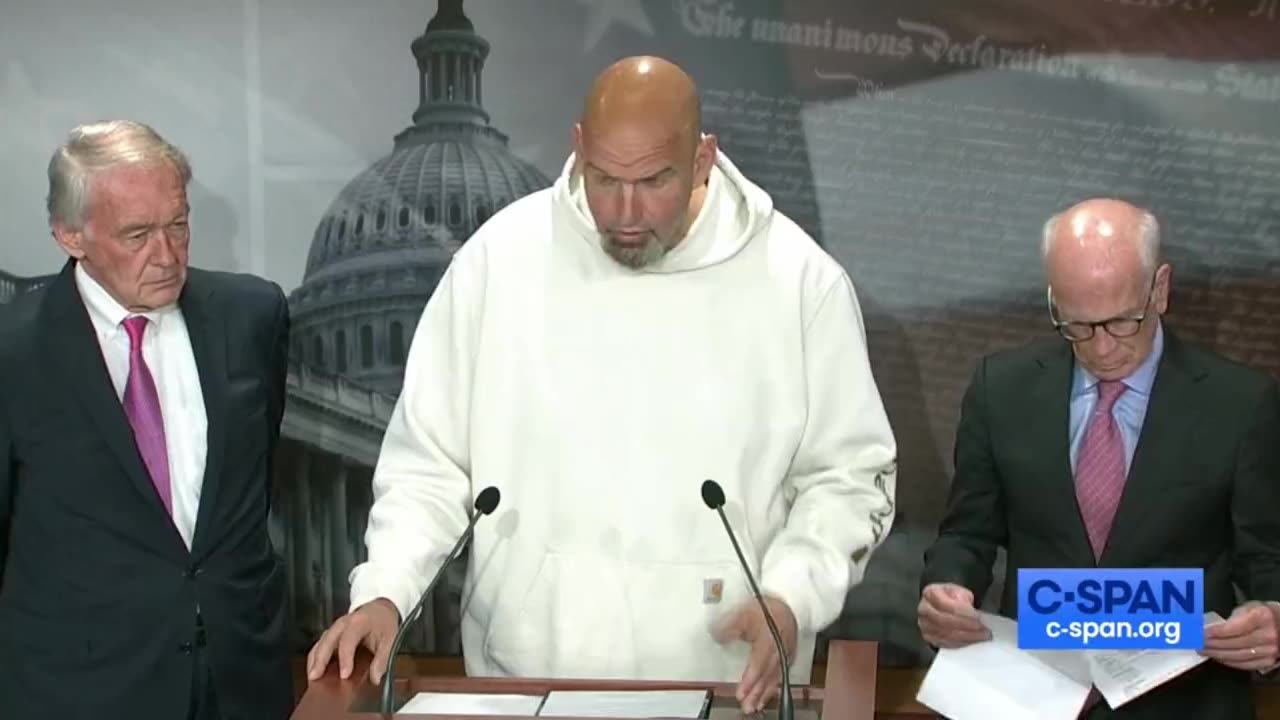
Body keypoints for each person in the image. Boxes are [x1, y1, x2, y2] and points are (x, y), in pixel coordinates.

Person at [306, 56, 898, 713]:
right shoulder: (498, 261)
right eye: (605, 179)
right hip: (523, 687)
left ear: (704, 158)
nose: (624, 212)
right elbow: (428, 467)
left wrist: (793, 594)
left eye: (653, 181)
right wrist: (386, 589)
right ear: (578, 146)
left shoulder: (799, 285)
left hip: (726, 690)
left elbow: (848, 478)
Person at [918, 197, 1280, 718]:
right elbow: (966, 534)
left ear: (1160, 289)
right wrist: (945, 590)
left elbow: (1268, 558)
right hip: (1032, 701)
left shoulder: (1240, 404)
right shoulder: (1001, 389)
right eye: (1078, 326)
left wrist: (1270, 618)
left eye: (1121, 322)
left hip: (1185, 705)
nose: (1102, 348)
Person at [0, 120, 292, 720]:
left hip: (243, 683)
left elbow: (254, 488)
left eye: (178, 225)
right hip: (80, 692)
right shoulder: (14, 353)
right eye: (137, 234)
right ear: (69, 235)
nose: (167, 255)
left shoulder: (253, 314)